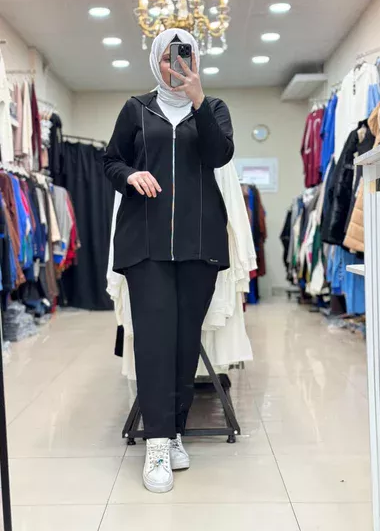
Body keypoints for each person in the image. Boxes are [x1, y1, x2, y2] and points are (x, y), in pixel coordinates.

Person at [103, 28, 234, 493]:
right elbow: (111, 160)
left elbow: (219, 155)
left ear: (196, 61)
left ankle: (175, 430)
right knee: (155, 341)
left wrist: (198, 100)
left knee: (184, 343)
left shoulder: (213, 108)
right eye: (169, 58)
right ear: (156, 61)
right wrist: (130, 175)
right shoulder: (136, 109)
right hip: (146, 243)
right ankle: (157, 443)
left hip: (199, 244)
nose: (177, 65)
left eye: (186, 56)